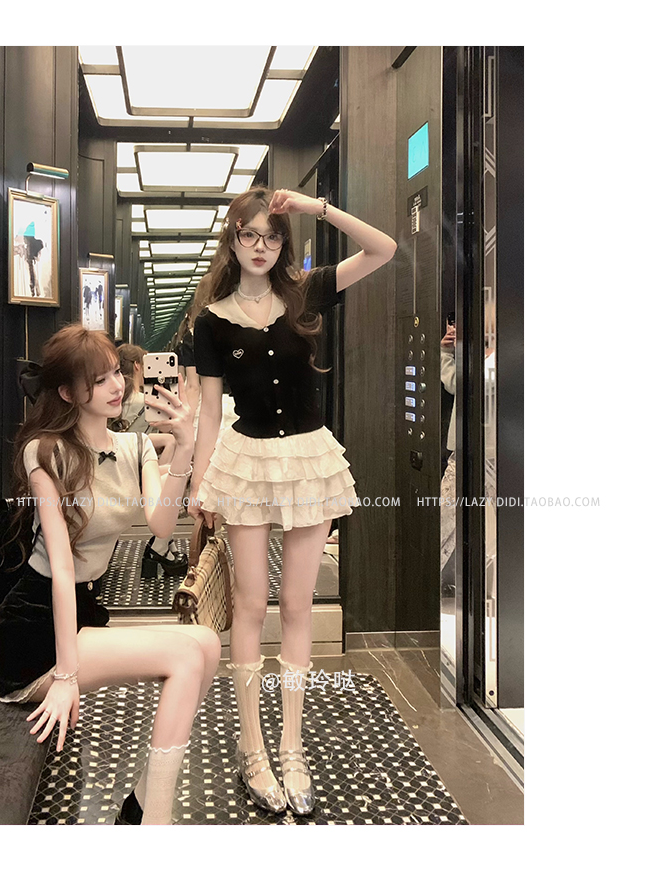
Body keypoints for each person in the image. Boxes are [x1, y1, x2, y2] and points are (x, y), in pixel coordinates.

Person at [190, 186, 396, 816]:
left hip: (308, 463)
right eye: (249, 235)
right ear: (232, 241)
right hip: (247, 464)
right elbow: (208, 412)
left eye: (271, 236)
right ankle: (253, 748)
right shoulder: (211, 321)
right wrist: (200, 488)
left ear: (283, 243)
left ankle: (292, 746)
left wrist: (315, 209)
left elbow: (384, 248)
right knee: (252, 607)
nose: (261, 246)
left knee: (299, 608)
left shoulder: (305, 292)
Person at [0, 324, 221, 825]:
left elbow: (161, 524)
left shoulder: (134, 448)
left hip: (82, 613)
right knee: (184, 655)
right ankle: (153, 825)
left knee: (207, 644)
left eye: (116, 373)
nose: (116, 386)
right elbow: (61, 566)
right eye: (98, 379)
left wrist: (183, 447)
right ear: (68, 393)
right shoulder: (45, 452)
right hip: (32, 635)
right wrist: (65, 676)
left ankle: (140, 804)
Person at [114, 343, 188, 577]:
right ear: (139, 366)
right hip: (136, 473)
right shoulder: (146, 401)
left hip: (118, 466)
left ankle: (163, 545)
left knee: (176, 473)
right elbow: (168, 431)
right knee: (181, 476)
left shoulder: (116, 401)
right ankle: (159, 546)